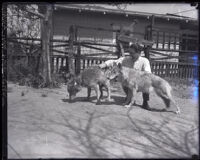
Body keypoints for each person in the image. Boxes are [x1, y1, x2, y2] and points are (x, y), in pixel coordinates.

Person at [99, 43, 151, 109]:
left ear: (139, 53)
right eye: (129, 52)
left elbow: (148, 73)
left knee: (147, 82)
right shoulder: (126, 59)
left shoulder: (144, 61)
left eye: (132, 53)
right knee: (124, 81)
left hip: (140, 83)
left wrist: (136, 75)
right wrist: (104, 64)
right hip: (130, 83)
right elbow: (114, 61)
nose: (130, 54)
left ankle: (145, 102)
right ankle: (129, 98)